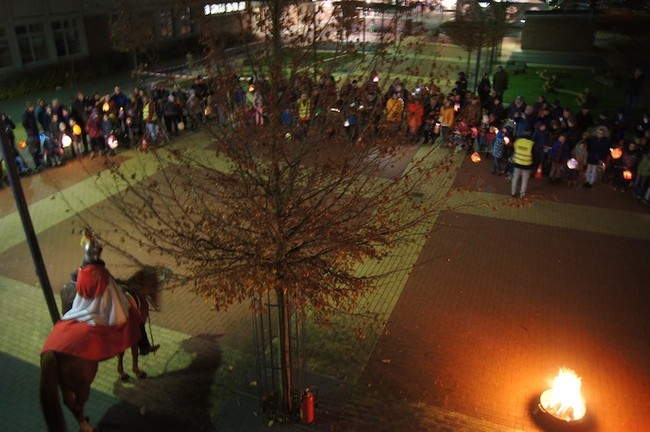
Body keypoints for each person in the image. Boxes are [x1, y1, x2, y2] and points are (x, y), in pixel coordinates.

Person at [42, 233, 143, 361]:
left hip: (84, 301)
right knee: (131, 312)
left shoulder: (82, 273)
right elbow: (111, 292)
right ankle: (143, 344)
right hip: (101, 304)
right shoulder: (101, 274)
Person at [21, 101, 42, 170]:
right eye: (31, 107)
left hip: (35, 132)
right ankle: (37, 164)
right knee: (34, 149)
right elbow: (24, 124)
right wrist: (30, 129)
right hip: (32, 133)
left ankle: (39, 162)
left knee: (38, 148)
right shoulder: (25, 115)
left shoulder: (32, 113)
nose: (33, 108)